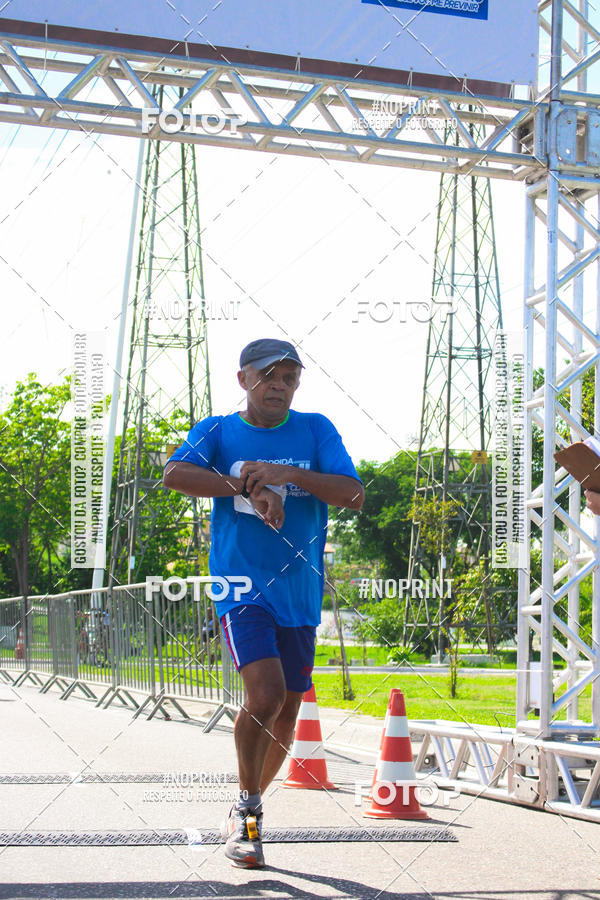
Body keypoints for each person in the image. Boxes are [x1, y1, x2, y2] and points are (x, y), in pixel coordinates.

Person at [163, 338, 364, 868]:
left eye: (290, 377)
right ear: (244, 379)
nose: (279, 385)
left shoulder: (316, 428)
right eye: (269, 375)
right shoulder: (218, 430)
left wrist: (286, 475)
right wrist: (244, 486)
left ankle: (249, 804)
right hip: (240, 584)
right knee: (267, 692)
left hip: (299, 589)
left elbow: (353, 493)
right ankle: (249, 813)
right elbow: (175, 474)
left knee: (289, 709)